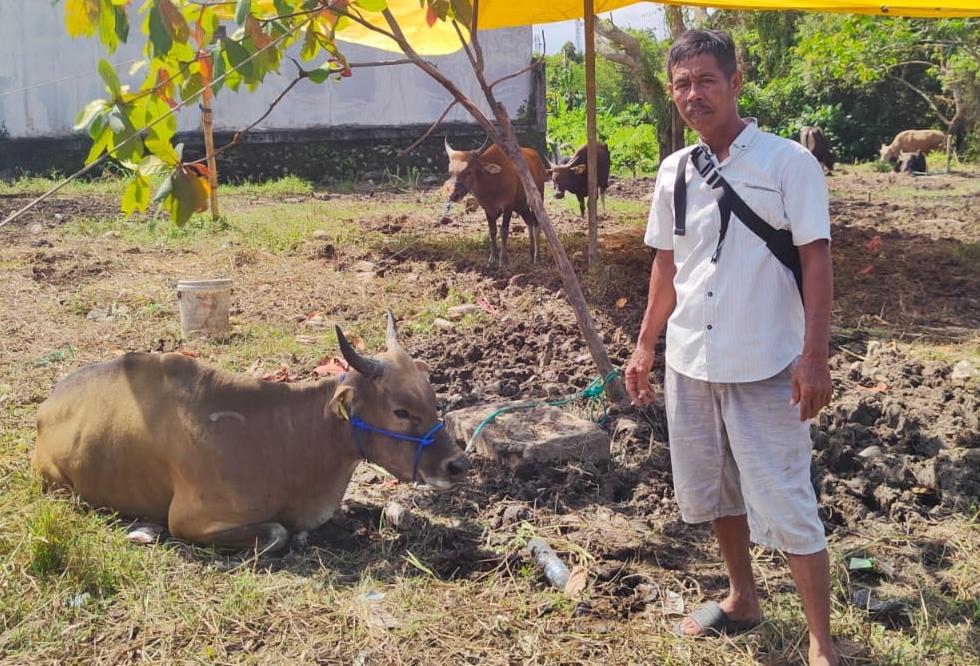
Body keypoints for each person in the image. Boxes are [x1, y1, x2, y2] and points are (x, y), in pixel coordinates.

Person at [625, 29, 837, 666]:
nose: (695, 95)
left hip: (767, 361)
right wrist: (644, 349)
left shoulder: (787, 164)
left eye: (707, 81)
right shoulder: (674, 172)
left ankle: (821, 642)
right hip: (692, 361)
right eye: (683, 84)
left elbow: (817, 261)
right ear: (672, 92)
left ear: (735, 81)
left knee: (786, 497)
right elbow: (667, 267)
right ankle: (743, 598)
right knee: (716, 489)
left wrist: (815, 355)